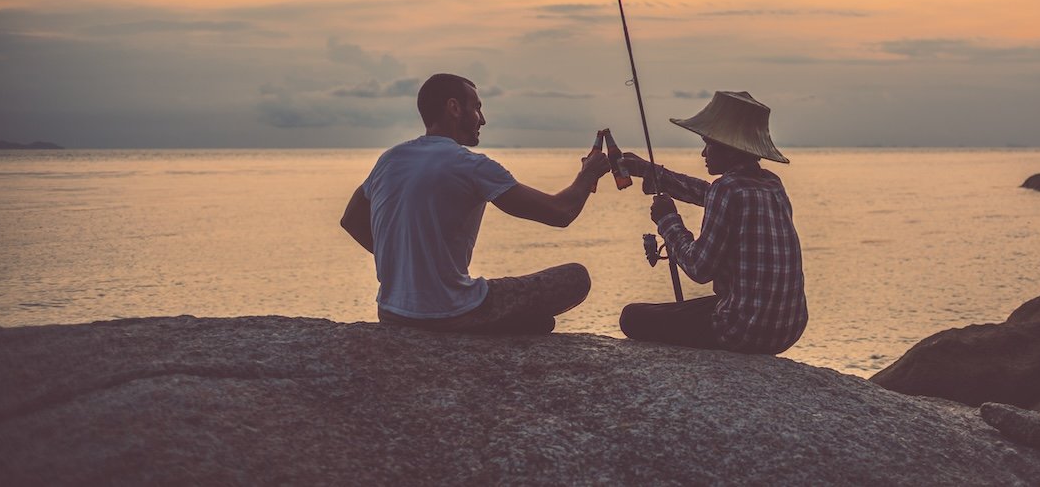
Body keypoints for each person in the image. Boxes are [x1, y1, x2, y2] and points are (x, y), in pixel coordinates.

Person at [340, 73, 610, 334]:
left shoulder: (390, 159)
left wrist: (403, 263)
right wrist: (588, 174)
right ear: (454, 108)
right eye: (477, 108)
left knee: (539, 322)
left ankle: (513, 324)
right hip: (452, 312)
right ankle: (497, 324)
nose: (482, 119)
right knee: (576, 277)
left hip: (392, 312)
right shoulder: (472, 166)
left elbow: (350, 220)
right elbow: (560, 212)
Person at [619, 90, 807, 354]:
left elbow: (699, 268)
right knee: (693, 308)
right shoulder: (772, 184)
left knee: (632, 317)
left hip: (741, 330)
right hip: (788, 329)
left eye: (708, 144)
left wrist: (668, 220)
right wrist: (653, 173)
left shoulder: (727, 189)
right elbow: (711, 194)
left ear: (729, 150)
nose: (703, 153)